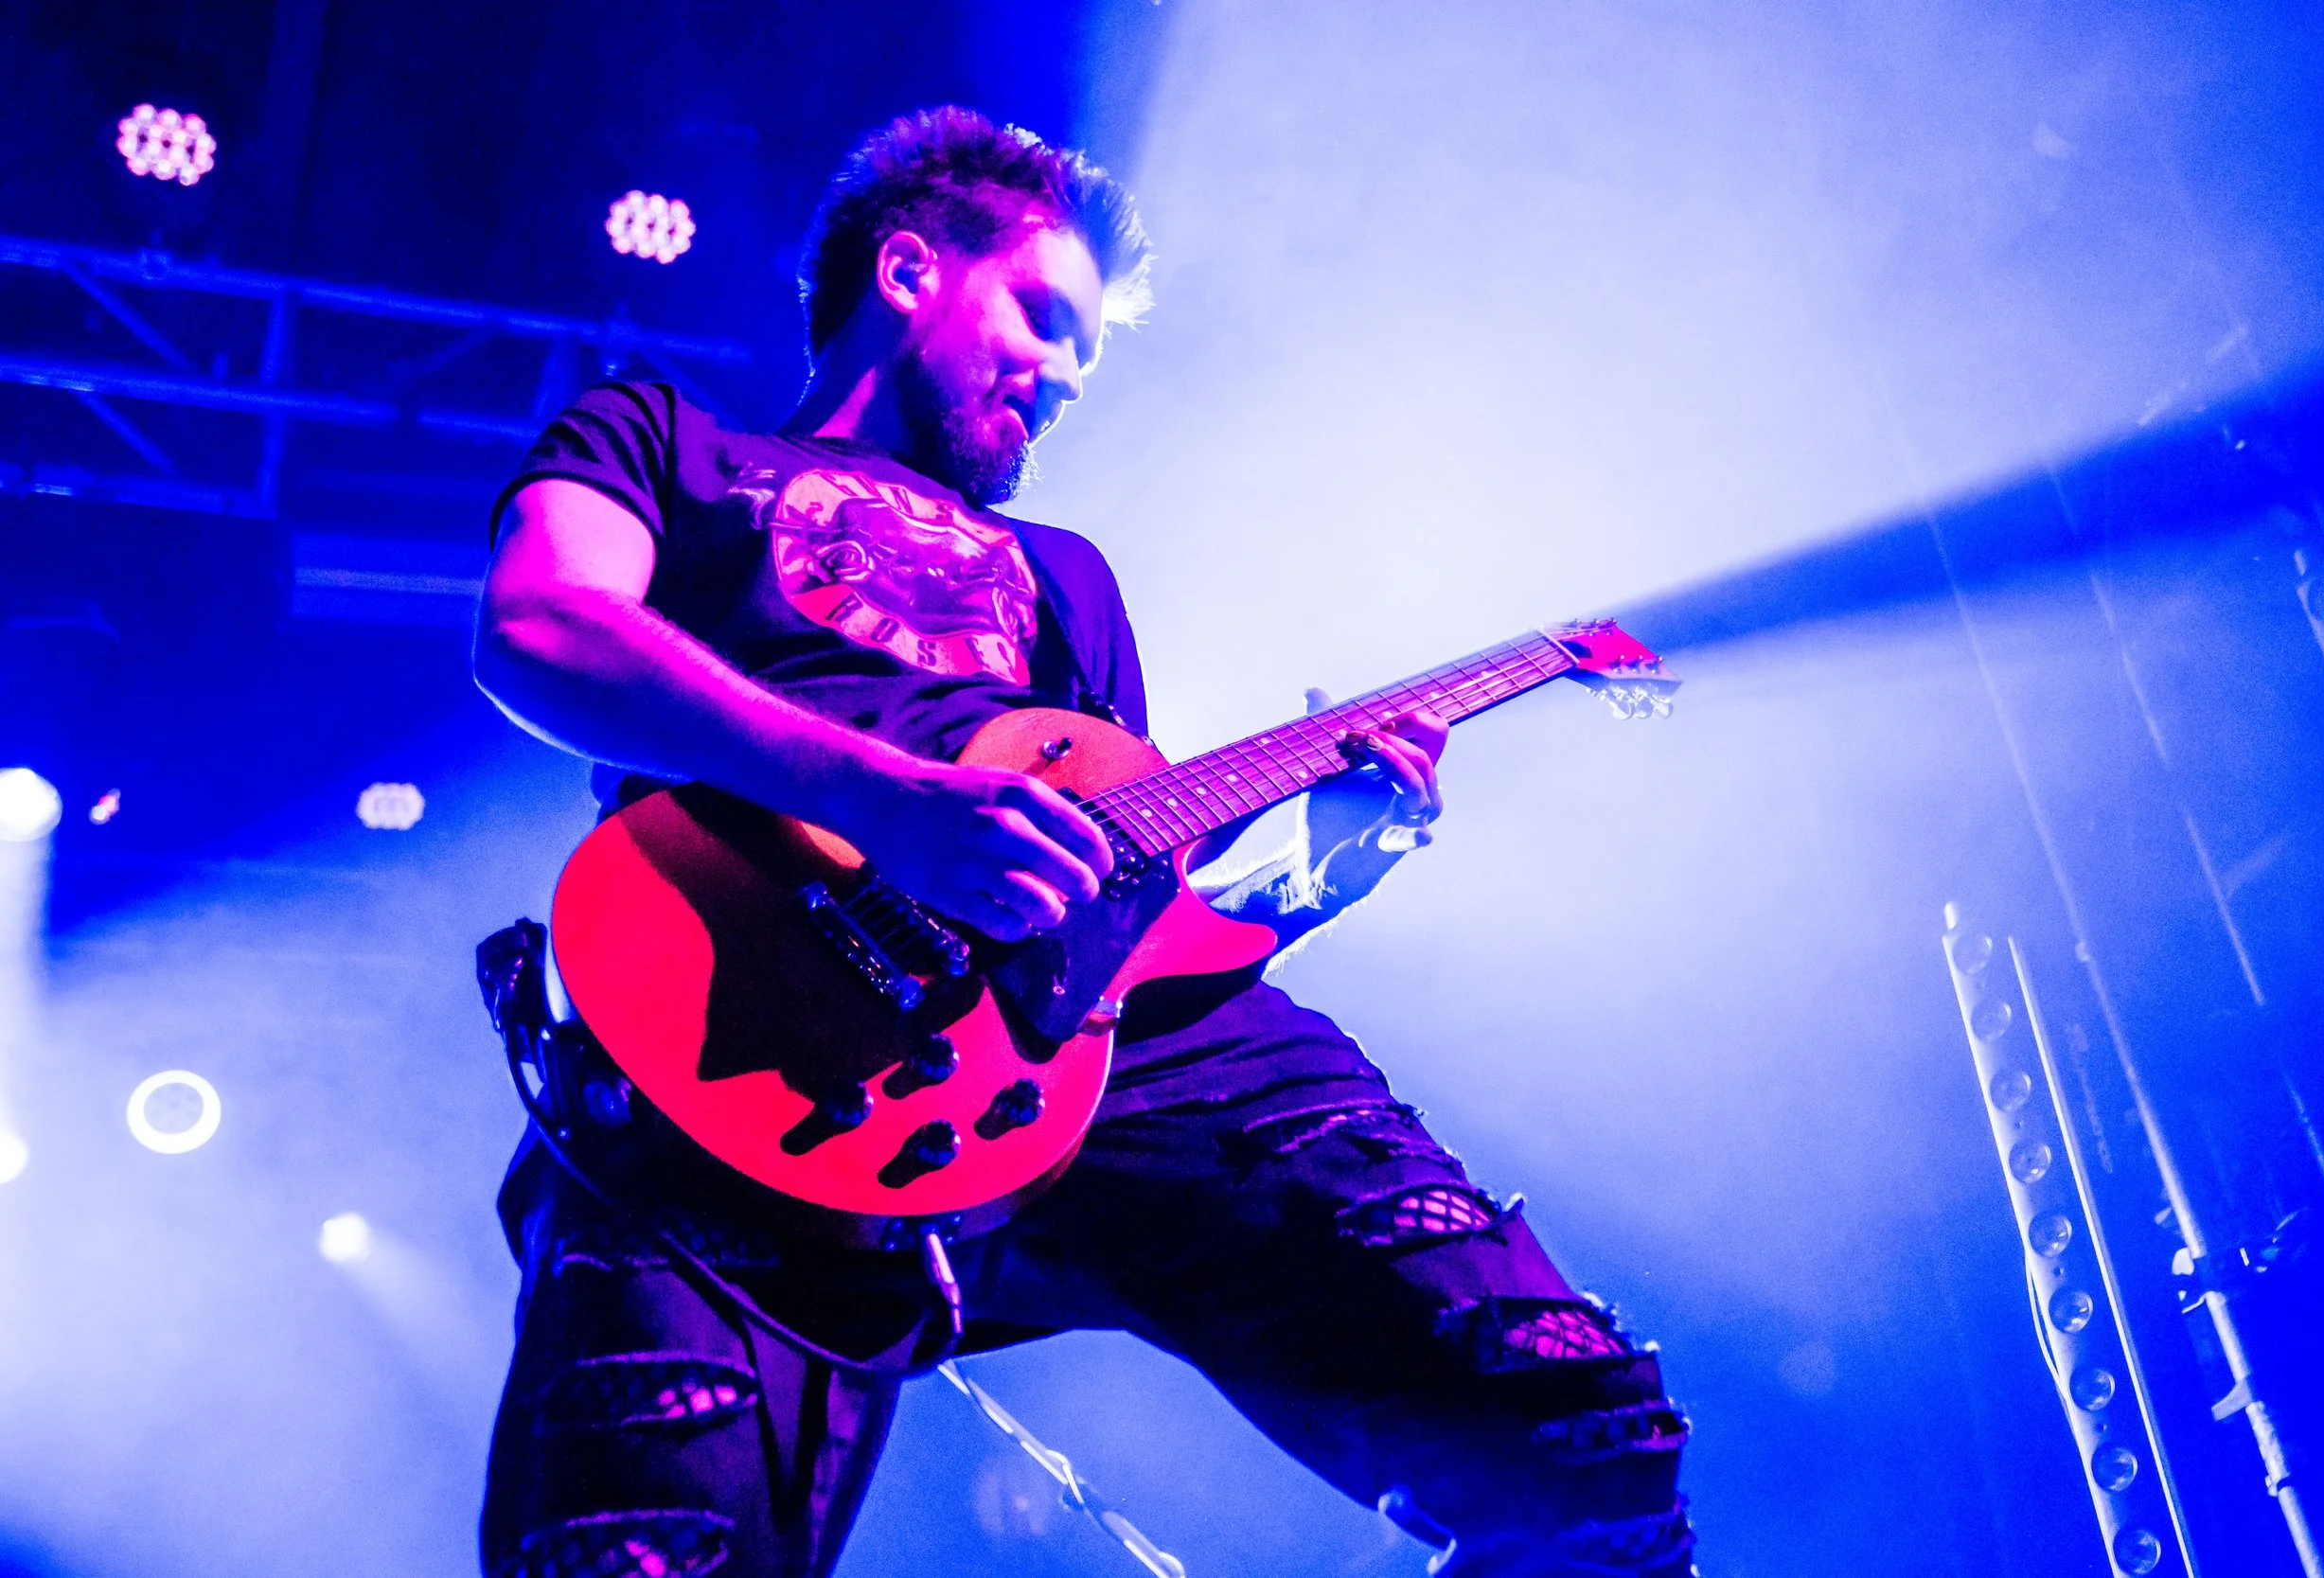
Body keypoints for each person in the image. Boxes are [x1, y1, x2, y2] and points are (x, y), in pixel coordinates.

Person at [471, 106, 1694, 1578]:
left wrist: (1320, 862)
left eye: (1086, 357)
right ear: (909, 272)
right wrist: (887, 802)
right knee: (635, 1552)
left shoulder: (1068, 578)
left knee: (1581, 1436)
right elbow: (540, 626)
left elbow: (1129, 915)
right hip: (739, 1018)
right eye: (1046, 320)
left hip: (1082, 1053)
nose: (1063, 377)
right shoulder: (669, 439)